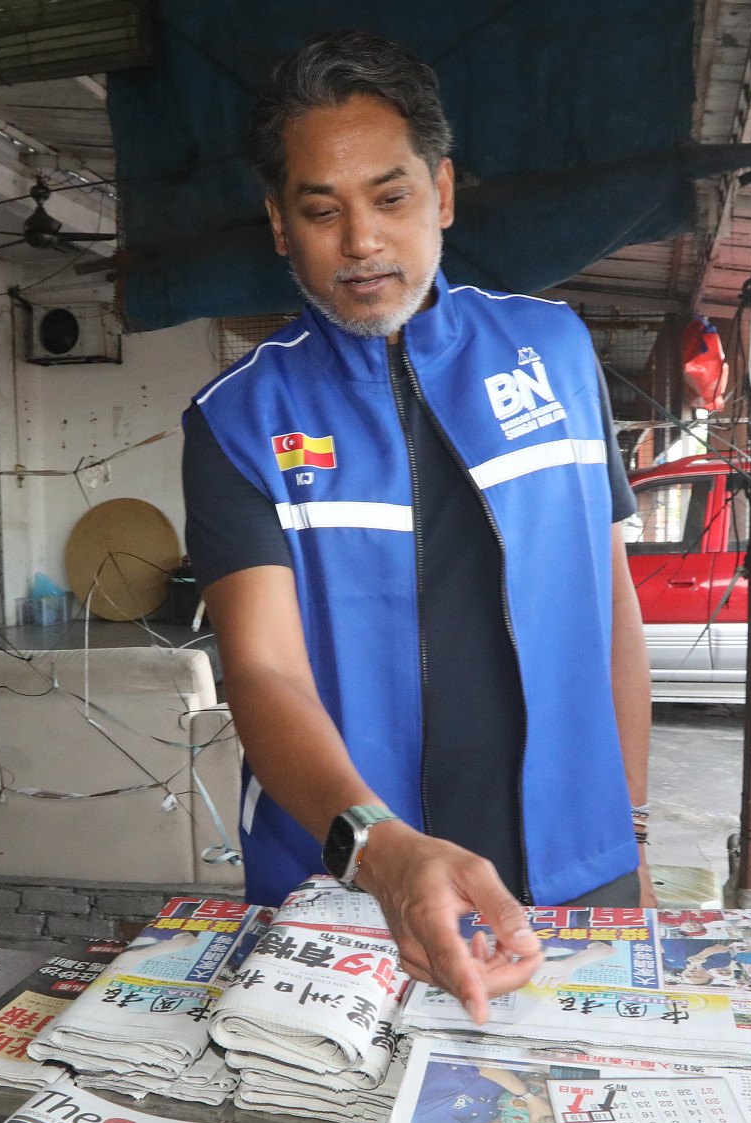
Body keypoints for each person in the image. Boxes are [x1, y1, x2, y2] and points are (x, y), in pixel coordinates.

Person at [182, 32, 650, 1022]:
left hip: (572, 872)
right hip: (352, 889)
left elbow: (608, 606)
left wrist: (629, 836)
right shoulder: (237, 419)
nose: (360, 241)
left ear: (440, 193)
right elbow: (260, 671)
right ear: (278, 224)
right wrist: (378, 851)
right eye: (320, 209)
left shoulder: (554, 350)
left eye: (389, 198)